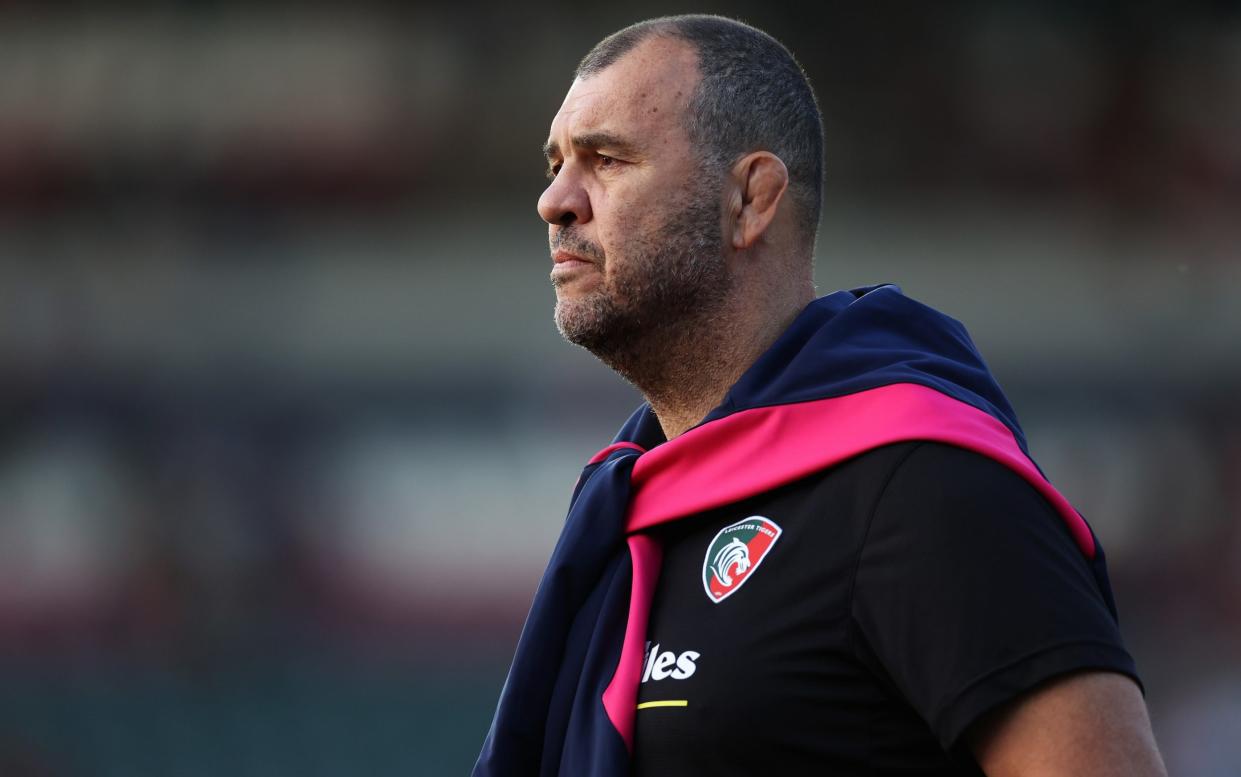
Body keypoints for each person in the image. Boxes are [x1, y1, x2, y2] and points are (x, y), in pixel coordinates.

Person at [475, 14, 1167, 777]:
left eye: (606, 159)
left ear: (750, 198)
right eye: (555, 165)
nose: (555, 201)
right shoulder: (624, 511)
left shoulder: (922, 487)